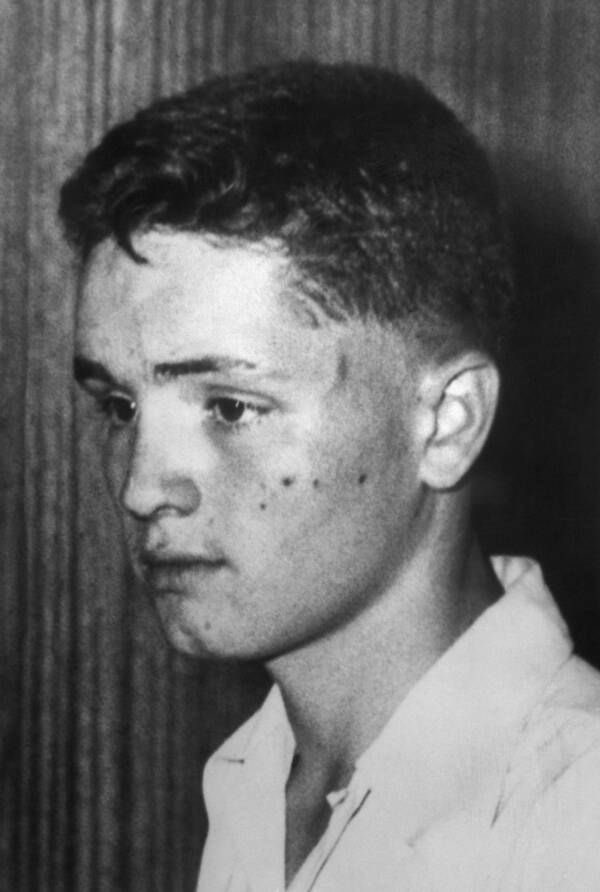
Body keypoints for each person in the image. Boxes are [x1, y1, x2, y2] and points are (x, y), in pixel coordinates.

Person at [60, 61, 600, 891]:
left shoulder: (572, 820)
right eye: (120, 406)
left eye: (231, 408)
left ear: (447, 422)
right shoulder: (254, 780)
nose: (141, 488)